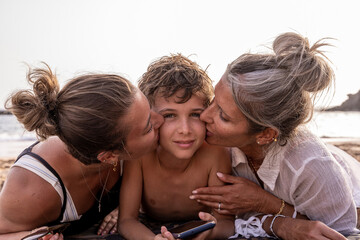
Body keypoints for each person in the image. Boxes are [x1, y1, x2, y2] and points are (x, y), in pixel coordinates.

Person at [189, 32, 360, 239]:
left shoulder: (312, 167)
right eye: (214, 100)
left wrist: (265, 204)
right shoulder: (219, 144)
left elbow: (338, 233)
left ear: (266, 134)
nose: (205, 115)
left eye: (223, 116)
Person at [0, 64, 164, 240]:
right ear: (109, 157)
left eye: (150, 110)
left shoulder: (124, 143)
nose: (160, 120)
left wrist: (125, 207)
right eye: (148, 127)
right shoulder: (33, 188)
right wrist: (29, 237)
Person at [118, 54, 234, 240]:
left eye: (195, 114)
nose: (185, 130)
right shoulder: (141, 156)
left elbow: (227, 223)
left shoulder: (214, 154)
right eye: (170, 116)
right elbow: (126, 221)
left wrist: (209, 233)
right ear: (151, 117)